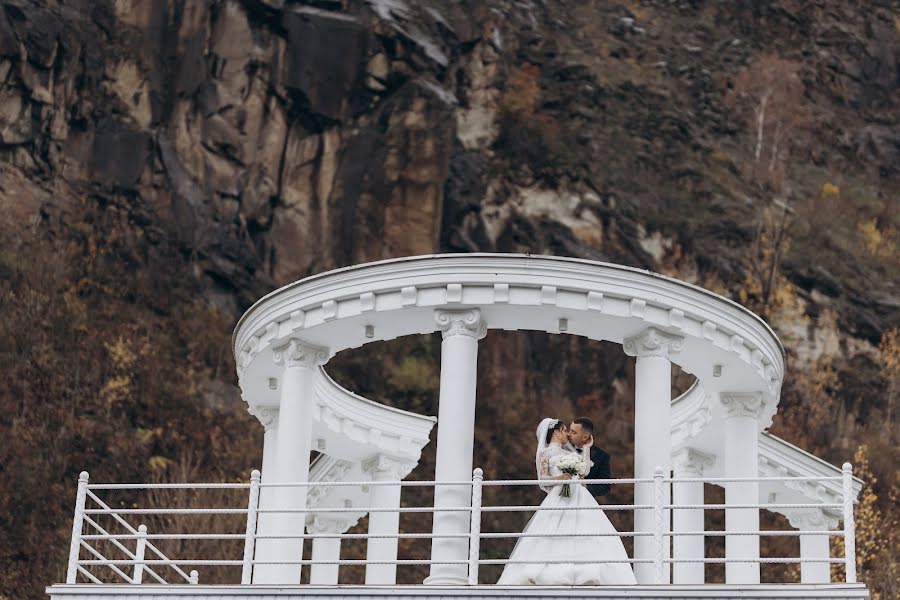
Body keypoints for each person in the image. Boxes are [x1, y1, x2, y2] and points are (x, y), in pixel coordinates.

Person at [497, 418, 636, 585]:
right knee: (551, 531)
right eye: (564, 430)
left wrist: (586, 449)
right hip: (558, 496)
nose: (568, 434)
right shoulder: (545, 453)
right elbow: (542, 481)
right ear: (555, 432)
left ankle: (587, 572)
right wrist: (560, 478)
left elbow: (584, 471)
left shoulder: (569, 453)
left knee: (586, 528)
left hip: (579, 496)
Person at [567, 417, 612, 497]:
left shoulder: (601, 456)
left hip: (586, 500)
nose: (568, 434)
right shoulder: (562, 449)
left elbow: (605, 486)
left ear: (585, 437)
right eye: (569, 430)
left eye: (573, 432)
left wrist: (585, 488)